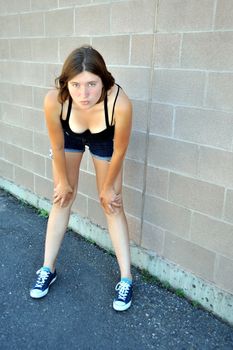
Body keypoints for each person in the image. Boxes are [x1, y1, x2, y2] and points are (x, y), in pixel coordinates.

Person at [30, 45, 133, 311]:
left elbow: (120, 149)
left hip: (105, 138)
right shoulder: (55, 100)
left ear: (104, 80)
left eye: (91, 84)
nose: (83, 94)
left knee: (112, 203)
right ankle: (47, 269)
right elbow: (57, 145)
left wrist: (108, 187)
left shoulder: (119, 103)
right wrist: (63, 182)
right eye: (76, 85)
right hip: (69, 137)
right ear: (66, 82)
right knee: (62, 197)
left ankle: (126, 279)